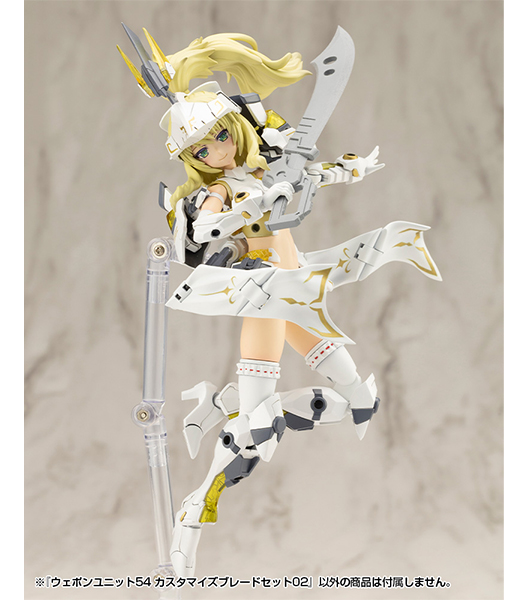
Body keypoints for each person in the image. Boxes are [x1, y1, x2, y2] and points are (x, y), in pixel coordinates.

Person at [119, 28, 441, 578]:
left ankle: (220, 405)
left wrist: (348, 170)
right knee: (255, 431)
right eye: (201, 150)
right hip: (265, 292)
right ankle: (193, 514)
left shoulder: (270, 163)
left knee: (361, 401)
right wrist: (255, 204)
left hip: (298, 287)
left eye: (220, 137)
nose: (216, 152)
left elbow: (310, 175)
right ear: (192, 158)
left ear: (235, 126)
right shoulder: (218, 190)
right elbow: (204, 229)